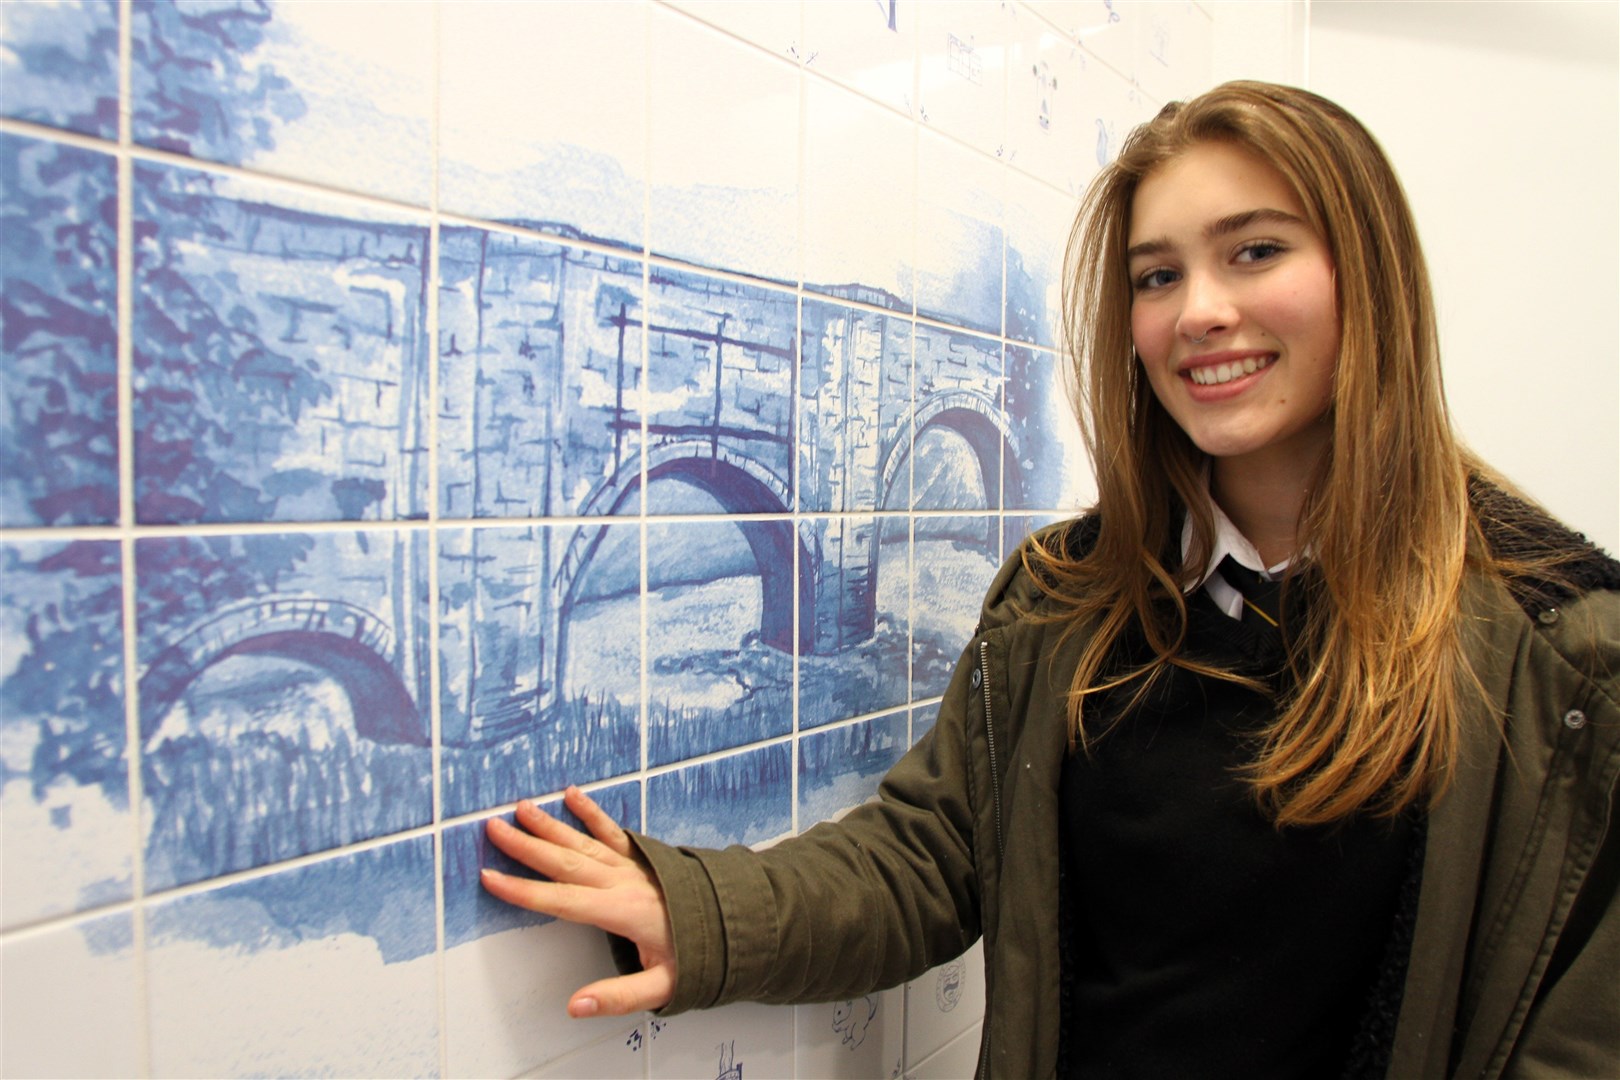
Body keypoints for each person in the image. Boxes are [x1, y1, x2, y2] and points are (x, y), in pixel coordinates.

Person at [479, 81, 1620, 1079]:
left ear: (1368, 274)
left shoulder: (1566, 655)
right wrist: (702, 912)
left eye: (1255, 251)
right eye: (1157, 275)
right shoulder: (1067, 598)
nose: (1200, 311)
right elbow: (932, 857)